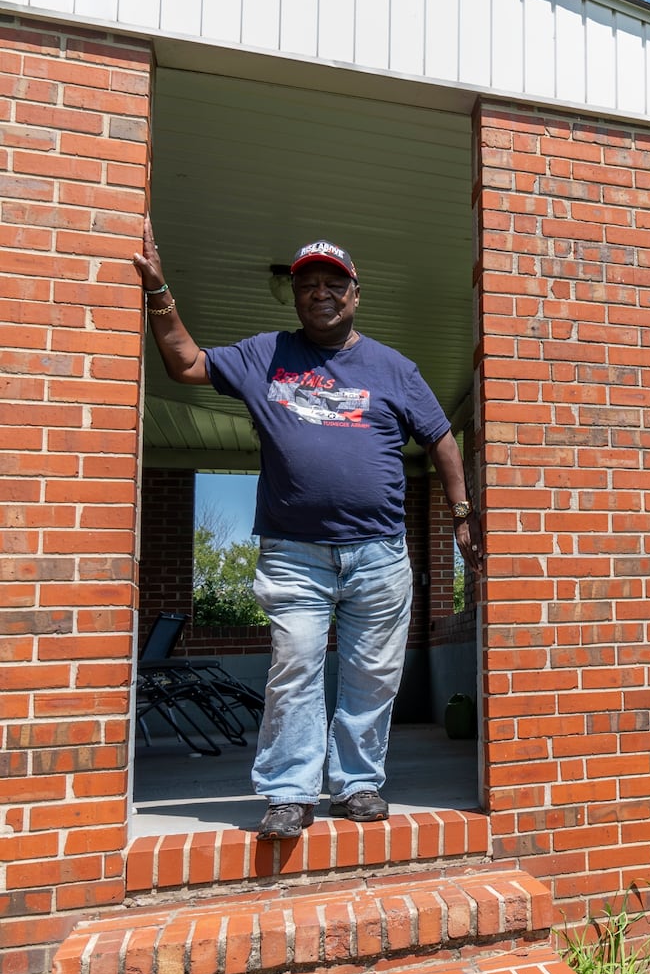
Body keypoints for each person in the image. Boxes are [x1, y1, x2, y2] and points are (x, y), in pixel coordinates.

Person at [132, 219, 483, 840]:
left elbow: (442, 439)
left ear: (355, 294)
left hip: (378, 552)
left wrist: (460, 513)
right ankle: (290, 792)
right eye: (307, 285)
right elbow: (185, 363)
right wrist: (161, 292)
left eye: (333, 283)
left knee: (372, 673)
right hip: (295, 555)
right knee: (294, 661)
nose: (320, 293)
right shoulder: (265, 354)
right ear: (296, 297)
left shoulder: (393, 367)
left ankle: (357, 784)